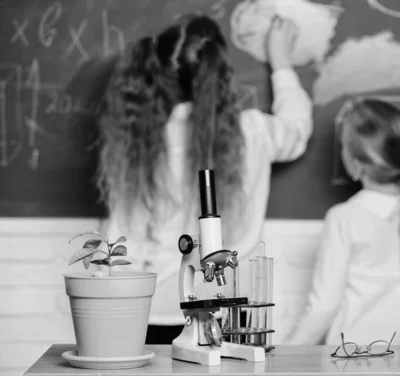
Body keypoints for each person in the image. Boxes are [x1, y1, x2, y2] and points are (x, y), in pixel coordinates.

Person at [94, 14, 312, 344]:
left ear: (162, 72)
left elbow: (122, 234)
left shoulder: (137, 140)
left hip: (150, 312)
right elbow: (296, 128)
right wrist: (281, 61)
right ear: (221, 70)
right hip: (227, 312)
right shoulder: (251, 131)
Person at [284, 98, 400, 346]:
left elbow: (323, 308)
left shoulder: (344, 217)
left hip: (352, 359)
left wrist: (281, 357)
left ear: (356, 164)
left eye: (343, 146)